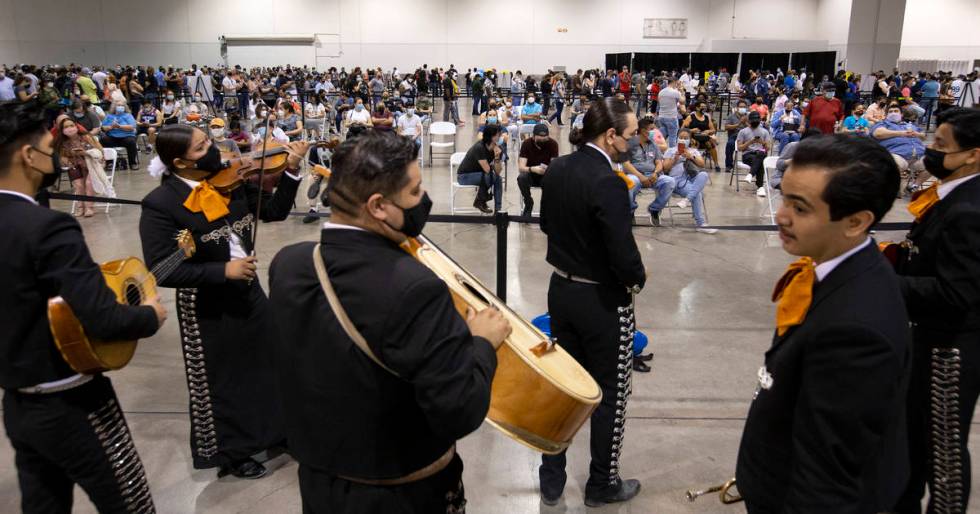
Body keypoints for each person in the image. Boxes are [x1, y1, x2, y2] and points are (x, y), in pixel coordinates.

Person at [267, 130, 509, 513]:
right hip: (396, 492)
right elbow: (458, 411)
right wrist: (480, 342)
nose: (423, 201)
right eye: (414, 193)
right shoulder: (414, 288)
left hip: (318, 478)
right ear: (378, 206)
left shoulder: (289, 263)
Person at [0, 99, 165, 514]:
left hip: (18, 400)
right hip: (72, 400)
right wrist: (149, 314)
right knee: (130, 503)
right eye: (48, 146)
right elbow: (103, 318)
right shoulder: (47, 226)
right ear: (27, 155)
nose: (53, 154)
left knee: (43, 503)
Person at [736, 133, 910, 513]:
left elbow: (828, 479)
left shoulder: (855, 331)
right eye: (784, 197)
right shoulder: (834, 270)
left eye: (800, 208)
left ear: (856, 221)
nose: (781, 215)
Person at [138, 125, 307, 479]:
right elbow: (163, 269)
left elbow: (273, 211)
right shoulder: (161, 204)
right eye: (203, 147)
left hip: (248, 290)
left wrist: (291, 169)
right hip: (205, 303)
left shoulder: (227, 180)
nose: (215, 150)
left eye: (210, 141)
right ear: (181, 162)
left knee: (268, 364)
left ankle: (277, 432)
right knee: (224, 380)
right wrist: (222, 270)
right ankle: (234, 452)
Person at [538, 97, 645, 507]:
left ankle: (551, 478)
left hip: (561, 291)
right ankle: (601, 483)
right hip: (602, 300)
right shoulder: (608, 181)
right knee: (609, 396)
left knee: (564, 388)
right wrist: (636, 277)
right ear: (611, 135)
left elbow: (547, 224)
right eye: (631, 135)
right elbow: (623, 251)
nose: (634, 142)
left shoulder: (561, 167)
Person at [894, 108, 980, 514]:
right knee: (908, 442)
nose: (930, 151)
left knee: (942, 454)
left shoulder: (969, 210)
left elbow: (955, 291)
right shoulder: (950, 195)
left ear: (972, 155)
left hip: (949, 351)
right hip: (922, 339)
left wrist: (884, 283)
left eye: (941, 146)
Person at [661, 129, 716, 233]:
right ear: (677, 138)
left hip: (692, 177)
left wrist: (691, 157)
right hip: (677, 180)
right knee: (697, 194)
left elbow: (702, 164)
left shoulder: (693, 151)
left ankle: (686, 200)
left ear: (690, 140)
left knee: (704, 174)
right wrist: (675, 159)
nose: (682, 140)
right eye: (680, 137)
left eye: (685, 138)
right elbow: (665, 169)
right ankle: (701, 223)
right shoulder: (670, 151)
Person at [623, 118, 674, 227]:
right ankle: (630, 211)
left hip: (652, 175)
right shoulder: (630, 144)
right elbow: (626, 164)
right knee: (630, 182)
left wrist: (656, 173)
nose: (654, 131)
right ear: (642, 130)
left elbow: (659, 162)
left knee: (669, 181)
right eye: (651, 129)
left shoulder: (653, 144)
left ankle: (654, 209)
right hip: (636, 175)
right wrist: (641, 177)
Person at [872, 103, 928, 192]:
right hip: (898, 154)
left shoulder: (909, 125)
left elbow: (924, 136)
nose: (893, 113)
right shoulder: (883, 124)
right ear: (886, 115)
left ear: (901, 114)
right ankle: (893, 188)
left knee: (934, 162)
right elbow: (878, 133)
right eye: (890, 112)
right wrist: (901, 133)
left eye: (896, 111)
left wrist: (917, 134)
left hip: (918, 155)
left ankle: (914, 185)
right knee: (894, 164)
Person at [56, 117, 105, 217]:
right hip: (74, 165)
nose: (69, 128)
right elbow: (61, 157)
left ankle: (89, 207)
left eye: (71, 126)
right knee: (78, 185)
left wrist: (85, 153)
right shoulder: (61, 142)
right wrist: (66, 160)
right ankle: (80, 207)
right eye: (66, 127)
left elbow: (100, 151)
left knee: (89, 183)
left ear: (76, 126)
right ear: (62, 130)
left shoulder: (86, 137)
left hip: (92, 164)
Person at [456, 124, 504, 214]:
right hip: (464, 177)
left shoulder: (498, 149)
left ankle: (496, 209)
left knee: (497, 178)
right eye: (498, 134)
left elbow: (498, 171)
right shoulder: (480, 147)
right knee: (493, 177)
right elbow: (487, 170)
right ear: (491, 136)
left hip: (481, 176)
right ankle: (482, 202)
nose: (500, 136)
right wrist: (493, 167)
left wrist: (497, 157)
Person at [517, 123, 559, 216]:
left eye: (545, 138)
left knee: (556, 180)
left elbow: (554, 166)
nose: (543, 140)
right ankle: (528, 203)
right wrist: (533, 169)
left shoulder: (553, 144)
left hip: (546, 175)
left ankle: (546, 206)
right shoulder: (527, 144)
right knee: (521, 178)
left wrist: (547, 170)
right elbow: (521, 167)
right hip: (531, 174)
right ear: (533, 136)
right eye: (540, 138)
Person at [737, 111, 772, 197]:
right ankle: (760, 187)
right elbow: (739, 148)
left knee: (761, 154)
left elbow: (768, 148)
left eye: (757, 120)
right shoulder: (743, 131)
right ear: (749, 120)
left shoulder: (765, 132)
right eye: (753, 120)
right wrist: (750, 141)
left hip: (760, 153)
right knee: (761, 161)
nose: (755, 122)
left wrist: (762, 142)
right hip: (748, 154)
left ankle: (750, 174)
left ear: (760, 120)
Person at [100, 101, 139, 169]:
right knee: (104, 140)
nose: (120, 107)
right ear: (114, 107)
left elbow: (132, 127)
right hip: (112, 137)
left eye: (122, 105)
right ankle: (110, 162)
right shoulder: (109, 116)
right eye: (118, 105)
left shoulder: (128, 115)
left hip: (126, 136)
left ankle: (132, 163)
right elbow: (103, 128)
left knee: (131, 142)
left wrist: (119, 126)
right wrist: (111, 127)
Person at [683, 101, 720, 172]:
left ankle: (716, 164)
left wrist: (708, 131)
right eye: (702, 107)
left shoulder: (706, 117)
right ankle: (694, 163)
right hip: (693, 137)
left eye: (705, 107)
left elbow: (713, 130)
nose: (704, 108)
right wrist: (691, 130)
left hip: (704, 137)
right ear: (697, 108)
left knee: (711, 144)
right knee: (694, 143)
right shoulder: (690, 117)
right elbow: (682, 129)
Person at [657, 79, 685, 146]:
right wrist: (682, 92)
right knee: (672, 137)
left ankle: (658, 150)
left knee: (662, 136)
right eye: (677, 83)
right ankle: (672, 153)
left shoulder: (661, 92)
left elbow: (659, 102)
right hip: (671, 117)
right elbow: (682, 101)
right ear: (674, 82)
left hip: (661, 117)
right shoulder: (674, 92)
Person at [724, 100, 749, 172]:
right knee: (729, 144)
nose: (742, 108)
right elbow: (726, 127)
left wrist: (746, 123)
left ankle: (751, 164)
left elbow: (753, 127)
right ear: (737, 108)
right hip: (735, 136)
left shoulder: (749, 116)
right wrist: (739, 124)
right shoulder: (731, 116)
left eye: (744, 107)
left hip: (747, 137)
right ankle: (729, 165)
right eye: (741, 107)